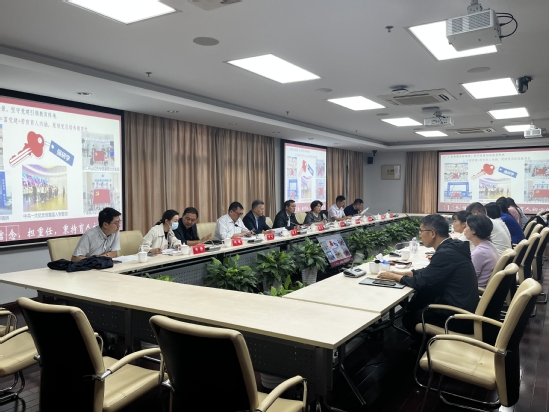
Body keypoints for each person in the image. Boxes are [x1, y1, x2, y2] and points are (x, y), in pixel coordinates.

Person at [378, 214, 478, 336]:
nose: (420, 235)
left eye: (421, 231)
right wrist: (401, 273)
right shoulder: (452, 246)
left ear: (432, 233)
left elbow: (420, 282)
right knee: (419, 300)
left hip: (456, 318)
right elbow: (430, 272)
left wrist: (394, 277)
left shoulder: (446, 253)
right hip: (463, 308)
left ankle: (428, 345)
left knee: (409, 318)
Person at [464, 214, 499, 288]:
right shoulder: (488, 244)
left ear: (474, 231)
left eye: (466, 226)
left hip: (475, 291)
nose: (464, 229)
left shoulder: (479, 253)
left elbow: (467, 279)